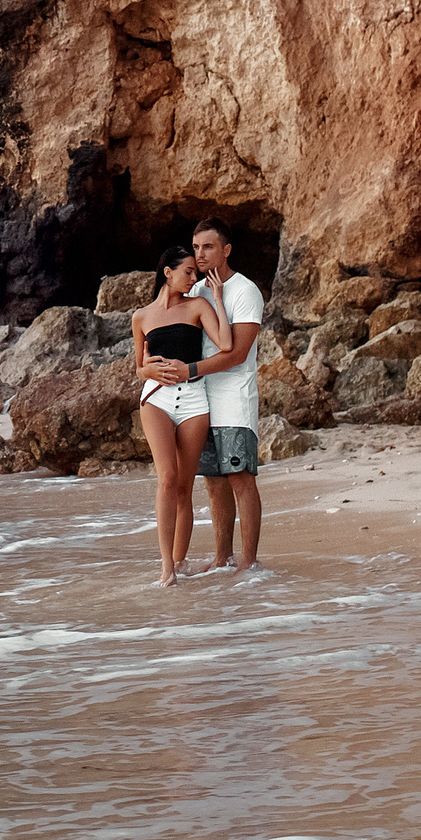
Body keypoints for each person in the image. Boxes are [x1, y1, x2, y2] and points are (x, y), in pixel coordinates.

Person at [131, 244, 233, 587]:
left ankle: (179, 560)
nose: (195, 277)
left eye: (196, 272)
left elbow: (227, 345)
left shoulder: (199, 305)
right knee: (167, 478)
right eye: (188, 271)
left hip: (193, 402)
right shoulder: (141, 316)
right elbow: (139, 369)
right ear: (168, 273)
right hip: (156, 400)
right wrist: (149, 371)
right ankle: (166, 569)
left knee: (184, 488)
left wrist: (217, 299)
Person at [190, 218, 266, 572]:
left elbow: (237, 353)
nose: (200, 254)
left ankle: (248, 563)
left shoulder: (245, 290)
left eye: (207, 247)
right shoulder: (194, 291)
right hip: (201, 402)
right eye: (195, 247)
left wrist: (191, 370)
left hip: (234, 399)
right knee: (213, 483)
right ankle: (223, 558)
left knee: (240, 480)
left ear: (226, 250)